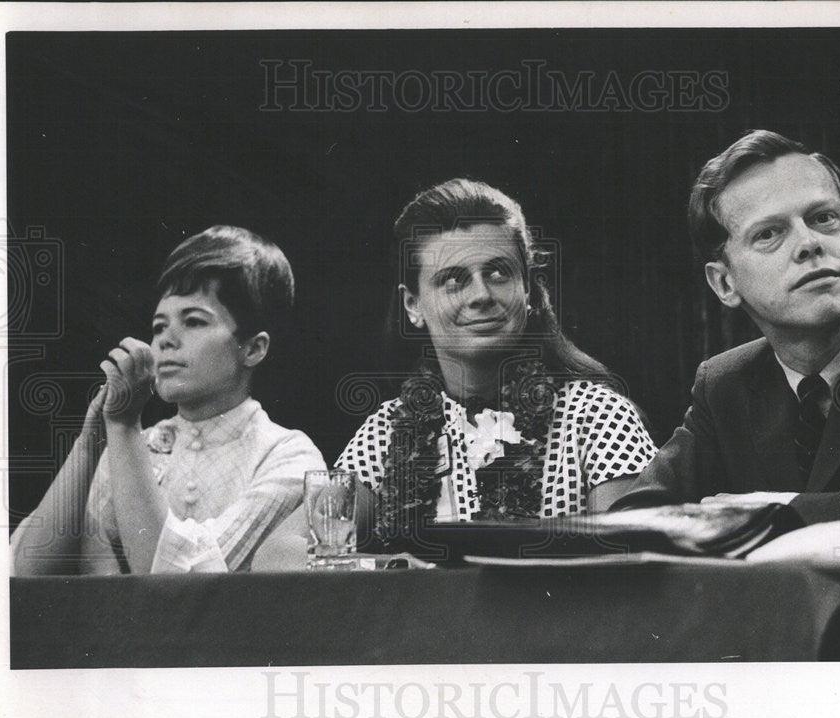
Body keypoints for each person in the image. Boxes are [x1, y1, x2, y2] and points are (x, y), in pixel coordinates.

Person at [257, 178, 656, 563]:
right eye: (453, 280)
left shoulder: (597, 416)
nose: (481, 295)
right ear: (413, 305)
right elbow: (278, 553)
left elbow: (629, 561)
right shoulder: (389, 429)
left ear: (529, 290)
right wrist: (393, 569)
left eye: (498, 272)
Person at [613, 130, 840, 543]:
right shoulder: (725, 384)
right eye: (769, 233)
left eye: (823, 218)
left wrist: (761, 509)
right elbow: (632, 520)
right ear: (724, 284)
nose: (809, 244)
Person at [11, 225, 326, 574]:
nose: (165, 340)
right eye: (159, 326)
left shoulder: (288, 456)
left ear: (253, 348)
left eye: (193, 321)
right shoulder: (133, 444)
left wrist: (125, 425)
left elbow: (182, 584)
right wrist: (90, 442)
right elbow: (25, 571)